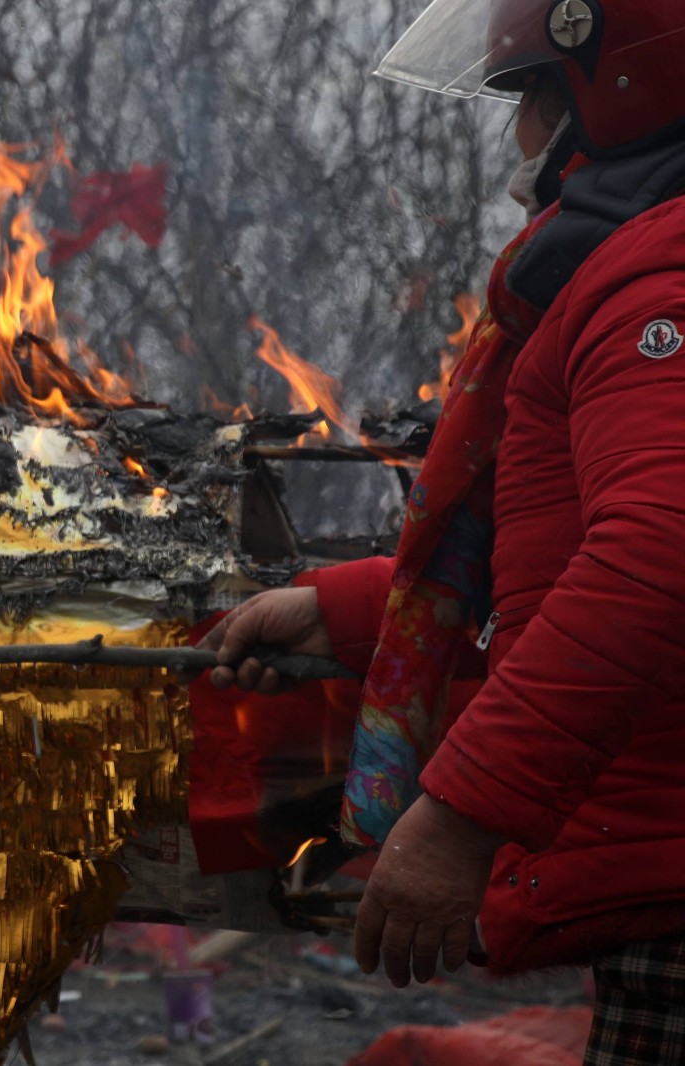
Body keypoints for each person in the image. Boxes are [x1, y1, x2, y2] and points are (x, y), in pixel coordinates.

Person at [201, 2, 685, 1062]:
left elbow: (656, 563)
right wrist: (351, 610)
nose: (517, 141)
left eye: (527, 99)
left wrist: (460, 814)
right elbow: (566, 563)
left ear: (611, 92)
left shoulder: (659, 276)